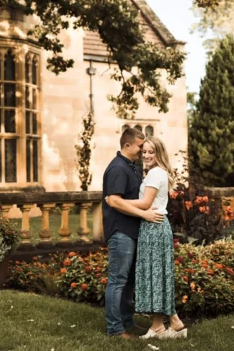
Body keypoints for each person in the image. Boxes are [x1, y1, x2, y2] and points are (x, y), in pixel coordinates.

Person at [106, 136, 187, 339]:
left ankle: (164, 325)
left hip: (154, 226)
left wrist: (116, 200)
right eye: (144, 151)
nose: (147, 155)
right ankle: (167, 323)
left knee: (155, 275)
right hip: (154, 226)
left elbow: (145, 203)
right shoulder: (155, 173)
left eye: (151, 151)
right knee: (157, 275)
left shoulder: (155, 174)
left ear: (159, 153)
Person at [103, 128, 165, 339]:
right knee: (118, 280)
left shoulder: (132, 166)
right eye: (140, 147)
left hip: (131, 231)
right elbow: (115, 201)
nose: (143, 151)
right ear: (127, 145)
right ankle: (115, 329)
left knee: (128, 281)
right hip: (120, 231)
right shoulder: (118, 168)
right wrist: (144, 214)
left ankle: (127, 322)